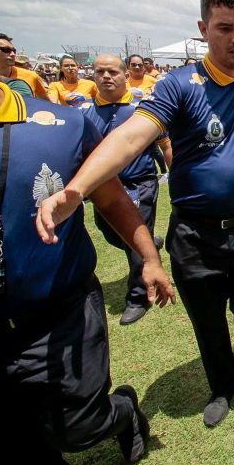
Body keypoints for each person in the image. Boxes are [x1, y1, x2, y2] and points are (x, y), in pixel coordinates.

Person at [36, 0, 234, 429]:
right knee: (207, 321)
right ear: (204, 30)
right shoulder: (179, 85)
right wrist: (76, 189)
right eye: (225, 29)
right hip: (195, 233)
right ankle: (223, 384)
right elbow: (131, 137)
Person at [0, 6, 174, 465]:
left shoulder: (58, 127)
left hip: (56, 314)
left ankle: (122, 413)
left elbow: (111, 197)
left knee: (80, 427)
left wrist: (149, 256)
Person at [80, 54, 172, 325]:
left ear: (125, 75)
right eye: (100, 72)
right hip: (103, 188)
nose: (106, 77)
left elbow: (165, 144)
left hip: (139, 184)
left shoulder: (141, 109)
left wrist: (174, 170)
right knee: (109, 230)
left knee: (133, 236)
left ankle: (138, 297)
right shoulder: (85, 113)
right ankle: (149, 245)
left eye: (112, 72)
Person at [0, 32, 49, 99]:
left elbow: (46, 103)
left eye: (14, 51)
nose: (13, 54)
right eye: (6, 50)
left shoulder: (31, 76)